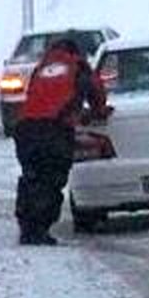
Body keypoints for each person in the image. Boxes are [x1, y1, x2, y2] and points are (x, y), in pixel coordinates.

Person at [12, 35, 109, 245]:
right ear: (76, 51)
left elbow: (40, 98)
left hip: (25, 129)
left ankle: (27, 227)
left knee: (31, 177)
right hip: (54, 130)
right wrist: (98, 112)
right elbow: (96, 94)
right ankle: (39, 230)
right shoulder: (78, 66)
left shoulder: (41, 68)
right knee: (51, 180)